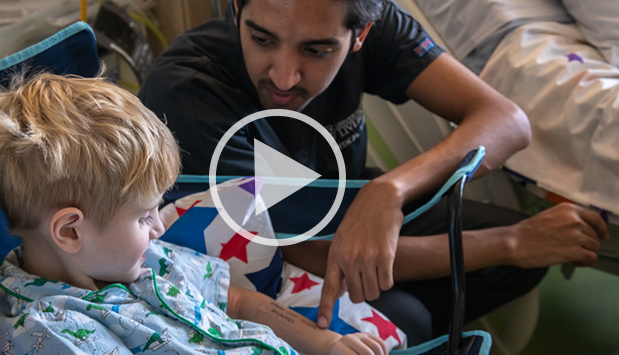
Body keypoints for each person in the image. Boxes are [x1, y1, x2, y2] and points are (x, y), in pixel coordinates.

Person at [138, 0, 610, 344]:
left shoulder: (372, 23)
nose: (284, 76)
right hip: (263, 267)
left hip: (347, 209)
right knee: (418, 312)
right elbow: (304, 254)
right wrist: (511, 244)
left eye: (317, 51)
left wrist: (390, 189)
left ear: (360, 36)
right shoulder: (191, 96)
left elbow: (506, 120)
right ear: (238, 9)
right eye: (262, 39)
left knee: (512, 264)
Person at [0, 72, 388, 355]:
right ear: (69, 231)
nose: (159, 226)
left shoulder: (137, 261)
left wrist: (322, 342)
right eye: (143, 217)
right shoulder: (51, 331)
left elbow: (237, 302)